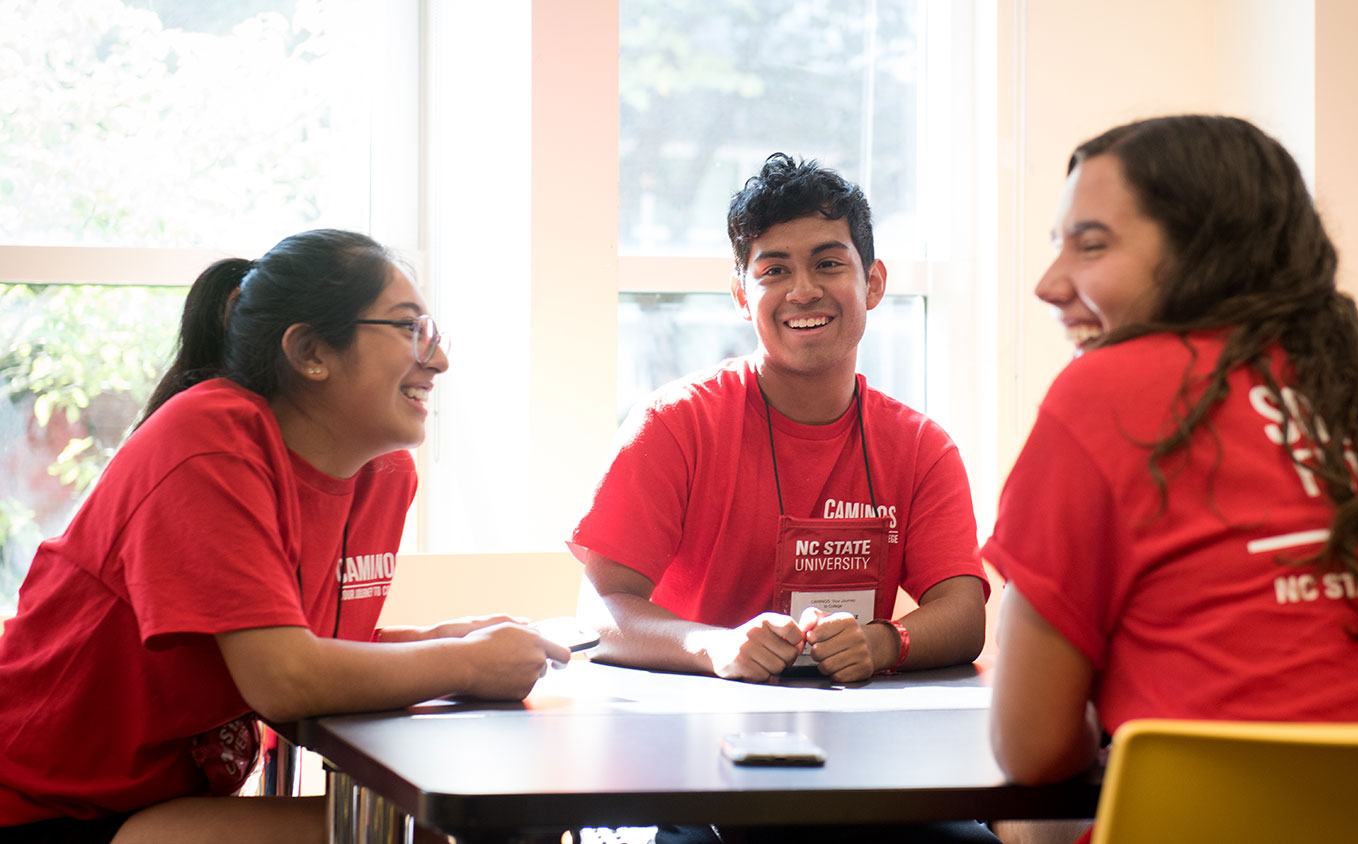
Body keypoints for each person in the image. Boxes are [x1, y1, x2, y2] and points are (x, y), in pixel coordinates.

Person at [985, 115, 1358, 804]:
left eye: (1091, 246)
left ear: (1203, 251)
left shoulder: (1104, 396)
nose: (1050, 284)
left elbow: (1031, 748)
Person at [0, 229, 570, 844]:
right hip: (39, 808)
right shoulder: (209, 440)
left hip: (153, 804)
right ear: (310, 351)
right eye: (410, 330)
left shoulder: (382, 474)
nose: (438, 359)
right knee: (416, 834)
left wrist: (439, 639)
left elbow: (313, 647)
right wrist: (466, 663)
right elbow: (286, 680)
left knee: (453, 826)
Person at [569, 154, 996, 843]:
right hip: (691, 769)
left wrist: (884, 642)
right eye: (773, 270)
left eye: (829, 264)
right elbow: (603, 610)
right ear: (742, 294)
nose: (803, 290)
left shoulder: (921, 446)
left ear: (873, 282)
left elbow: (964, 610)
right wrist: (715, 647)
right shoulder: (673, 425)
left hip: (863, 770)